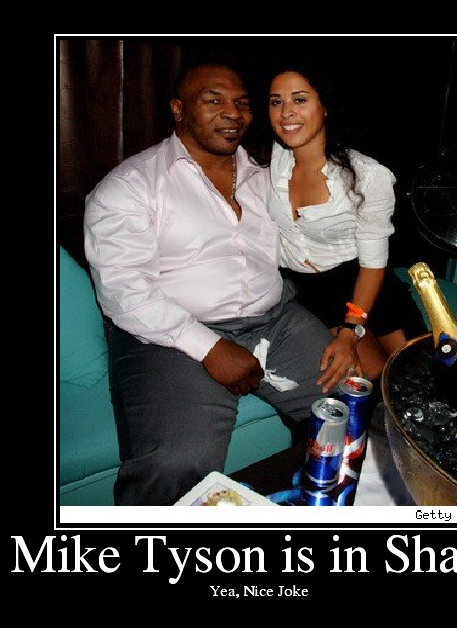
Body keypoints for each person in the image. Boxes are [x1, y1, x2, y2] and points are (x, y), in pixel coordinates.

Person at [83, 60, 341, 506]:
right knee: (177, 463)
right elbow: (124, 291)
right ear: (178, 109)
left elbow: (310, 252)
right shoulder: (129, 187)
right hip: (170, 334)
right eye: (213, 100)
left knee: (354, 410)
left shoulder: (268, 178)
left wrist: (348, 322)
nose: (232, 113)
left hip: (277, 319)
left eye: (242, 103)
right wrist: (210, 347)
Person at [247, 59, 427, 382]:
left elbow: (372, 265)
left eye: (299, 99)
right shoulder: (268, 160)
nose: (286, 112)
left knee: (415, 378)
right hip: (309, 291)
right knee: (367, 384)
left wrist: (350, 331)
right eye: (276, 102)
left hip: (365, 285)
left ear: (325, 105)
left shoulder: (365, 176)